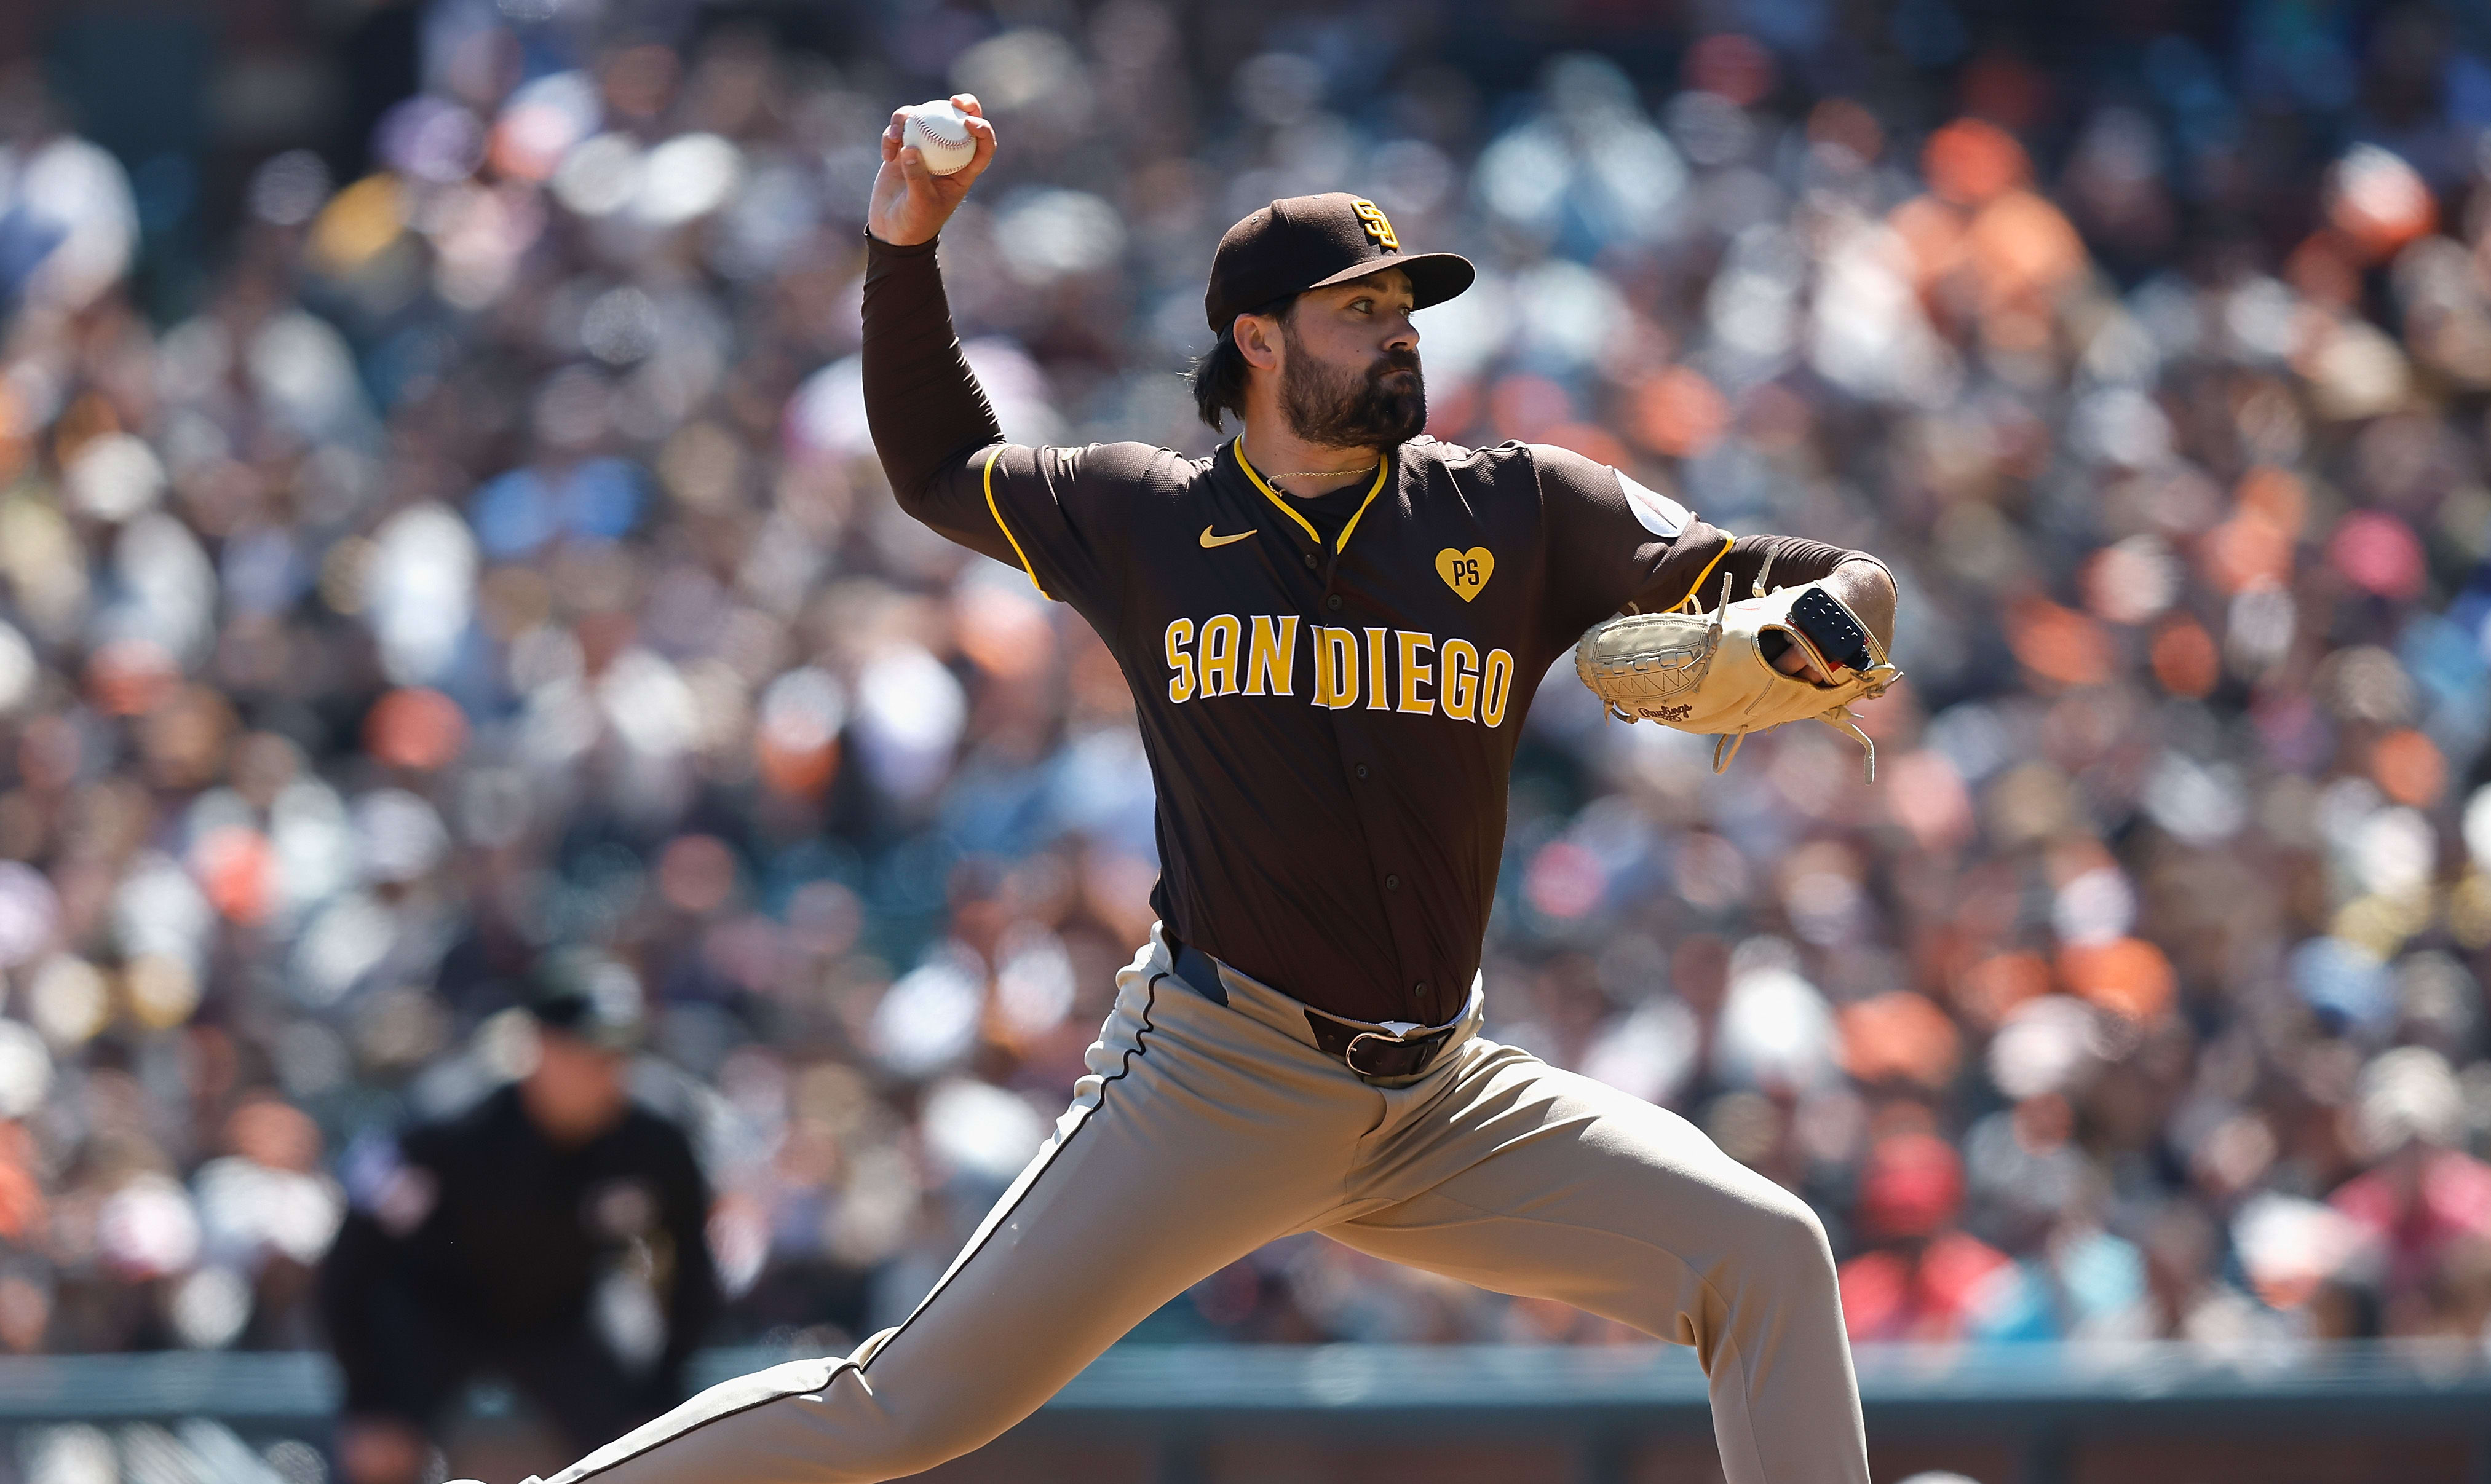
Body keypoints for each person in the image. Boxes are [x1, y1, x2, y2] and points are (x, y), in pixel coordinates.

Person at [499, 93, 1891, 1484]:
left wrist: (1838, 619)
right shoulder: (1149, 516)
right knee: (904, 1404)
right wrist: (905, 247)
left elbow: (1838, 576)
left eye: (1411, 305)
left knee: (1764, 1253)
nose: (1403, 329)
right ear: (1259, 338)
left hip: (1446, 1093)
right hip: (1224, 1075)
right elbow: (936, 465)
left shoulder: (1519, 509)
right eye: (1363, 309)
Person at [322, 954, 718, 1484]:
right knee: (377, 1455)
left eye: (618, 1055)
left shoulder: (655, 1137)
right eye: (587, 1053)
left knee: (655, 1448)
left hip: (566, 1315)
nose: (605, 1072)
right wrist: (367, 1400)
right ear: (539, 1048)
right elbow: (349, 1263)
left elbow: (693, 1268)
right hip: (435, 1312)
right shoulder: (446, 1124)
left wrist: (660, 1396)